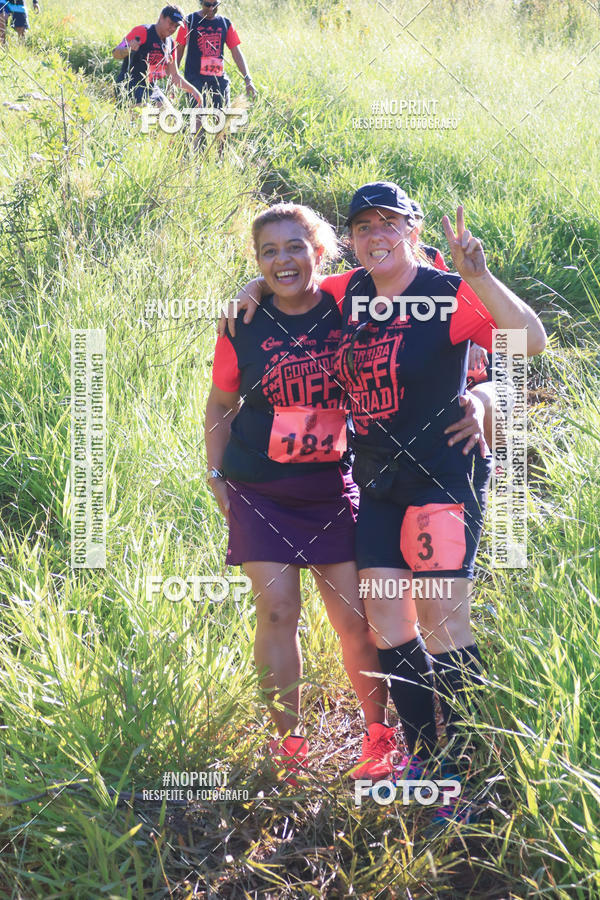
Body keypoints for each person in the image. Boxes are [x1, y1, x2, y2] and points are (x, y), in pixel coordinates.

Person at [223, 183, 546, 826]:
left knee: (443, 623)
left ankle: (472, 762)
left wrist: (478, 280)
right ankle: (428, 759)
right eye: (364, 226)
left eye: (390, 224)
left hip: (441, 481)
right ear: (350, 239)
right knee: (386, 627)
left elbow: (527, 340)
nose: (376, 236)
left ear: (414, 230)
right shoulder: (351, 291)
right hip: (375, 487)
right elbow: (294, 283)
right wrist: (249, 290)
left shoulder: (448, 292)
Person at [175, 1, 257, 112]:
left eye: (215, 5)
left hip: (218, 80)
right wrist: (173, 78)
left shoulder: (225, 23)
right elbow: (179, 51)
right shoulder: (190, 21)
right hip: (195, 79)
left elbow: (236, 53)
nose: (211, 8)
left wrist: (248, 79)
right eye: (207, 5)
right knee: (198, 119)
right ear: (201, 3)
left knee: (222, 119)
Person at [112, 5, 202, 107]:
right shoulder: (142, 31)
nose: (172, 28)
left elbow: (174, 76)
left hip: (150, 87)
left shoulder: (171, 44)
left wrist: (195, 92)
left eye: (176, 26)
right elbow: (115, 53)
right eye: (171, 23)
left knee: (170, 117)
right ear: (161, 17)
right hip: (130, 85)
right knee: (147, 110)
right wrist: (127, 50)